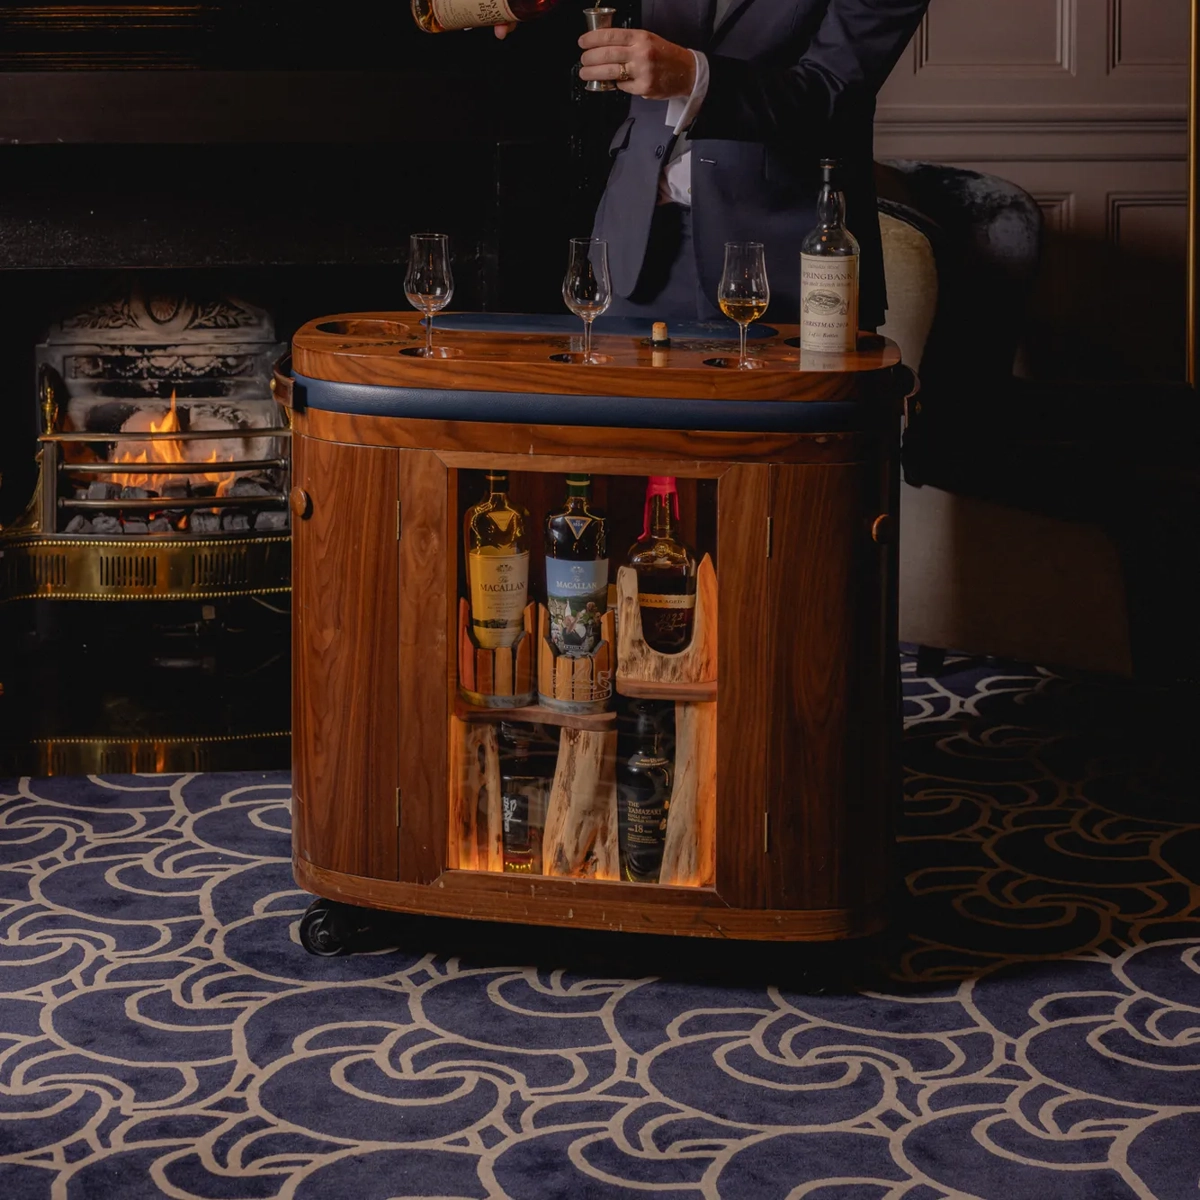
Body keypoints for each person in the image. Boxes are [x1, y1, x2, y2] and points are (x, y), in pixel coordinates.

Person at [501, 0, 930, 327]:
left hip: (787, 267)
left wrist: (697, 78)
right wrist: (506, 9)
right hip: (635, 252)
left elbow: (834, 91)